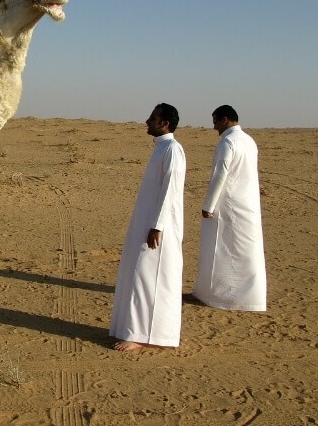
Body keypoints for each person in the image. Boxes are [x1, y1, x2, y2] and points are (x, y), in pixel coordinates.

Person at [110, 103, 186, 351]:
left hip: (157, 227)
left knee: (148, 276)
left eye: (152, 118)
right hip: (148, 222)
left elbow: (170, 192)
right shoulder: (162, 148)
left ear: (164, 123)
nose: (146, 121)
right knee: (139, 274)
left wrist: (158, 226)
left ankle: (141, 336)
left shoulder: (173, 150)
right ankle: (136, 330)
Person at [191, 105, 266, 311]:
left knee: (220, 248)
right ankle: (243, 296)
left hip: (228, 203)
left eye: (215, 121)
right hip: (248, 203)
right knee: (244, 250)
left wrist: (209, 205)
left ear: (224, 120)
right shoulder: (249, 140)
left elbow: (220, 174)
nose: (214, 127)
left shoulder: (228, 142)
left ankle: (219, 296)